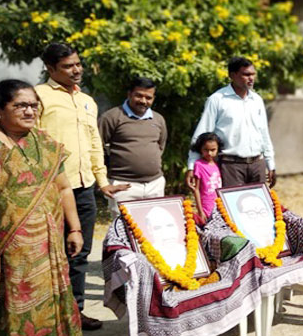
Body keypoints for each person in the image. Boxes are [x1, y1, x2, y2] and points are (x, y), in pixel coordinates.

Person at [0, 79, 83, 336]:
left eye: (33, 105)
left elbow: (64, 188)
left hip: (48, 255)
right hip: (8, 259)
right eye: (20, 105)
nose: (30, 110)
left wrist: (75, 229)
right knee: (12, 324)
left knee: (46, 320)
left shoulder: (46, 144)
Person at [35, 42, 129, 330]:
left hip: (84, 187)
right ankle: (45, 316)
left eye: (77, 64)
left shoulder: (87, 100)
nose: (76, 70)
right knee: (47, 254)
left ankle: (74, 314)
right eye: (67, 66)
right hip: (49, 189)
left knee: (79, 253)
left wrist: (102, 181)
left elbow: (94, 144)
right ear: (50, 68)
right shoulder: (39, 97)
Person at [186, 56, 276, 191]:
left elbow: (264, 133)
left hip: (257, 164)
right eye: (246, 75)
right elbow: (202, 134)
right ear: (233, 75)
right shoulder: (217, 100)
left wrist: (270, 164)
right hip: (230, 166)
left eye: (253, 74)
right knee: (233, 203)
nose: (251, 78)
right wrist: (192, 166)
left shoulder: (256, 100)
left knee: (258, 203)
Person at [99, 76, 167, 214]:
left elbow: (161, 146)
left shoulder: (158, 119)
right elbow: (96, 147)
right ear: (129, 94)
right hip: (123, 185)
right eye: (139, 96)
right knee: (124, 225)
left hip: (155, 184)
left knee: (153, 224)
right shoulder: (112, 117)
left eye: (148, 98)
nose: (143, 101)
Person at [191, 132, 224, 224]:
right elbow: (196, 189)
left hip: (219, 206)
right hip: (206, 206)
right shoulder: (199, 165)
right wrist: (200, 211)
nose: (209, 153)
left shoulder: (218, 164)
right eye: (206, 150)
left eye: (213, 150)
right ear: (200, 149)